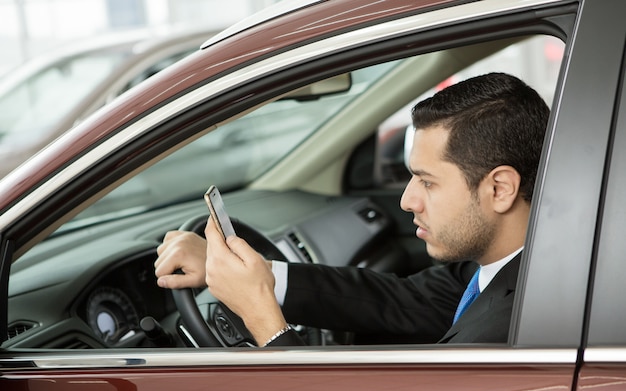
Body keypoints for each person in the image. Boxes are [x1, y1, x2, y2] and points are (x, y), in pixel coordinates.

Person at [154, 72, 549, 347]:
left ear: (499, 189)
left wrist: (263, 320)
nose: (407, 200)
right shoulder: (512, 268)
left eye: (427, 182)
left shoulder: (503, 334)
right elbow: (402, 299)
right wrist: (256, 275)